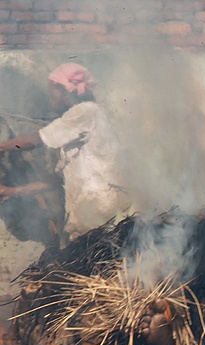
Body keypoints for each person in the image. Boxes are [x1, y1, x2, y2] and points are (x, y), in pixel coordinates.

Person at [0, 63, 125, 243]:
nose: (51, 100)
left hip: (100, 207)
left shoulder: (85, 111)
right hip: (93, 211)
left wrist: (2, 147)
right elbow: (55, 181)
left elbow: (36, 139)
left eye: (53, 94)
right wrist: (14, 191)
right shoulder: (75, 135)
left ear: (66, 90)